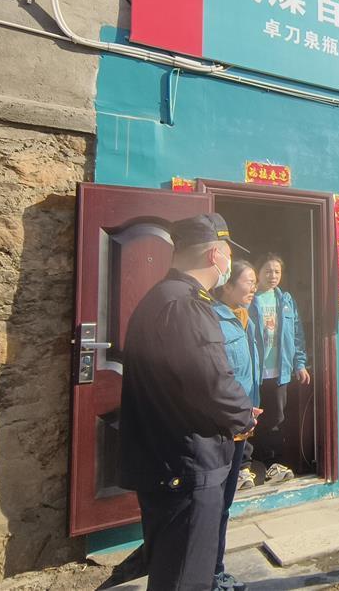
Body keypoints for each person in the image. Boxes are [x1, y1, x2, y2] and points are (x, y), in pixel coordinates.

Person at [118, 213, 257, 591]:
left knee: (174, 570)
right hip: (186, 462)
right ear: (215, 255)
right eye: (228, 254)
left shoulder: (162, 297)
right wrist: (244, 415)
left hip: (166, 459)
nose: (229, 263)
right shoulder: (186, 305)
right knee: (184, 577)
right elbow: (211, 382)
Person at [212, 260, 264, 591]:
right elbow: (219, 377)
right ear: (228, 286)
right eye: (249, 281)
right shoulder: (213, 320)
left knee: (224, 504)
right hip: (222, 426)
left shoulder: (244, 318)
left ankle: (215, 569)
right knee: (215, 504)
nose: (254, 287)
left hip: (241, 422)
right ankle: (211, 574)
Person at [250, 253, 309, 482]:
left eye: (277, 271)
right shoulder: (249, 298)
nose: (273, 275)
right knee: (249, 420)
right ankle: (248, 465)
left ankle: (273, 464)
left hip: (279, 373)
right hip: (253, 374)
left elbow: (297, 334)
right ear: (258, 273)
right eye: (268, 271)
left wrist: (299, 364)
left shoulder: (285, 300)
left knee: (276, 420)